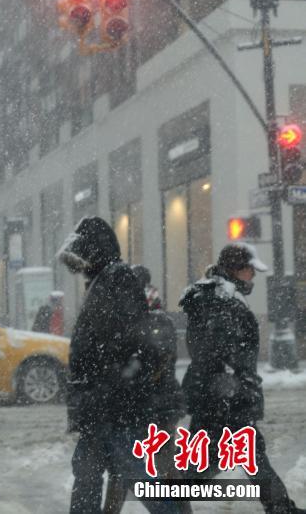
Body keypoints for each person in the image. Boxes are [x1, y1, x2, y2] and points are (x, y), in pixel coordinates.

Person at [57, 216, 179, 514]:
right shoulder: (105, 281)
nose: (81, 265)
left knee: (135, 476)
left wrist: (104, 388)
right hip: (103, 404)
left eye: (84, 256)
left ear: (95, 252)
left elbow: (123, 343)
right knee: (90, 474)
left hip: (113, 406)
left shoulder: (116, 280)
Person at [180, 243, 304, 514]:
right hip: (225, 394)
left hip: (216, 392)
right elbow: (219, 350)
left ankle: (167, 498)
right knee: (248, 453)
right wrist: (231, 383)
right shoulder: (222, 301)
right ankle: (280, 508)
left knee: (203, 463)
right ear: (237, 269)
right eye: (251, 270)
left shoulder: (218, 297)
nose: (254, 277)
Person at [102, 265, 187, 514]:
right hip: (155, 405)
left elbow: (154, 362)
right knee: (151, 468)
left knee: (133, 469)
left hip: (151, 407)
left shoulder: (143, 315)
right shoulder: (147, 314)